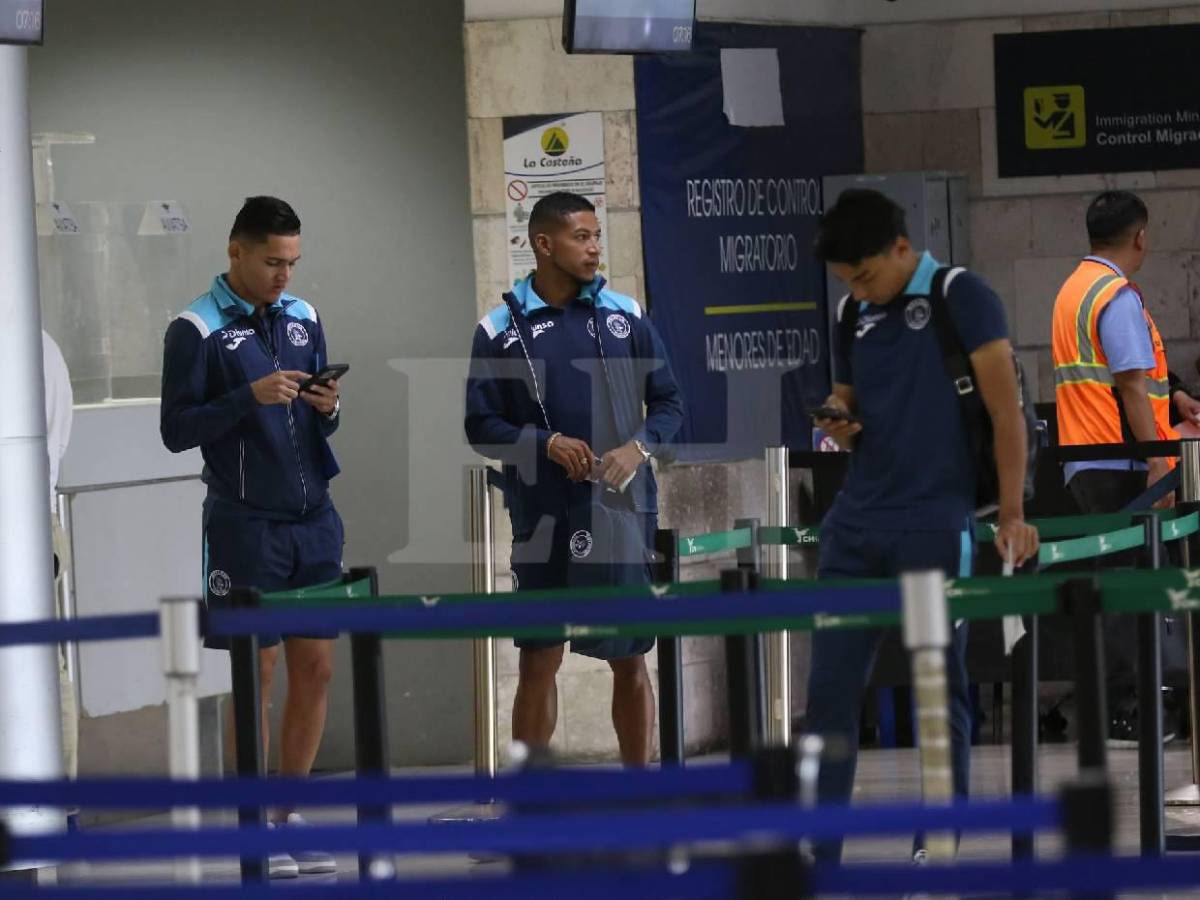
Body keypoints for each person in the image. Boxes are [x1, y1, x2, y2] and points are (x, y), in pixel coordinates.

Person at [808, 189, 1038, 861]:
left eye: (866, 275)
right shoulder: (851, 313)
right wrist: (834, 419)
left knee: (938, 695)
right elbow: (845, 400)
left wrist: (1013, 514)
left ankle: (932, 849)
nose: (858, 291)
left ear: (902, 248)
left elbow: (1006, 415)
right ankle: (819, 852)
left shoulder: (960, 296)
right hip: (855, 526)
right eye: (847, 281)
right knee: (828, 697)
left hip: (935, 525)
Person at [465, 191, 683, 766]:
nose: (594, 248)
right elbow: (480, 426)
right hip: (542, 514)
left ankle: (640, 791)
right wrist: (546, 444)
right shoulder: (498, 329)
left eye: (596, 236)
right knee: (539, 658)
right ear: (543, 244)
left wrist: (638, 448)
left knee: (629, 656)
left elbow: (670, 403)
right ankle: (530, 798)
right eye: (581, 237)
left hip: (621, 510)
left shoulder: (624, 314)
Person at [160, 196, 344, 879]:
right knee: (256, 672)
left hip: (315, 521)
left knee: (316, 669)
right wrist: (247, 397)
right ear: (236, 251)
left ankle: (288, 816)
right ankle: (254, 824)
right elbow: (175, 430)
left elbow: (317, 421)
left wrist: (329, 406)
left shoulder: (303, 317)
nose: (283, 276)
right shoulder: (195, 328)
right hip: (245, 525)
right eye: (272, 262)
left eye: (292, 262)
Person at [1051, 190, 1200, 746]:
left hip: (1088, 458)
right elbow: (1132, 386)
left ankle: (1127, 706)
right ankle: (1126, 711)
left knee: (1117, 581)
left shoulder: (1075, 289)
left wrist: (1176, 396)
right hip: (1119, 462)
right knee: (1128, 586)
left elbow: (1135, 378)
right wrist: (1159, 460)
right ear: (1140, 236)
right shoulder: (1114, 295)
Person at [43, 330, 75, 780]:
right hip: (40, 518)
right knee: (47, 665)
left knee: (44, 666)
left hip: (18, 526)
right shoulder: (45, 344)